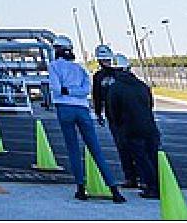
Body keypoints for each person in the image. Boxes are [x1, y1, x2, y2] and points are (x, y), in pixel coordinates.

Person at [47, 42, 127, 203]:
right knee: (96, 149)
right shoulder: (80, 68)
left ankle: (80, 188)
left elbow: (56, 88)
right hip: (82, 108)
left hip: (64, 108)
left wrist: (66, 90)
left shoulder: (54, 66)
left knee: (73, 149)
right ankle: (114, 189)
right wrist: (75, 91)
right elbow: (85, 91)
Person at [104, 60, 162, 200]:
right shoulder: (142, 85)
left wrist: (119, 125)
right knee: (153, 156)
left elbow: (113, 111)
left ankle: (151, 187)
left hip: (130, 127)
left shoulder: (115, 88)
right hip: (149, 125)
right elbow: (150, 104)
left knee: (141, 158)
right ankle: (159, 184)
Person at [89, 49, 137, 187]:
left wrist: (98, 112)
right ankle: (132, 177)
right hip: (118, 115)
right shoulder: (106, 76)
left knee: (127, 146)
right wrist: (98, 112)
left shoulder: (104, 76)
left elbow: (97, 96)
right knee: (126, 147)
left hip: (120, 115)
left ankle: (133, 177)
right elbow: (97, 96)